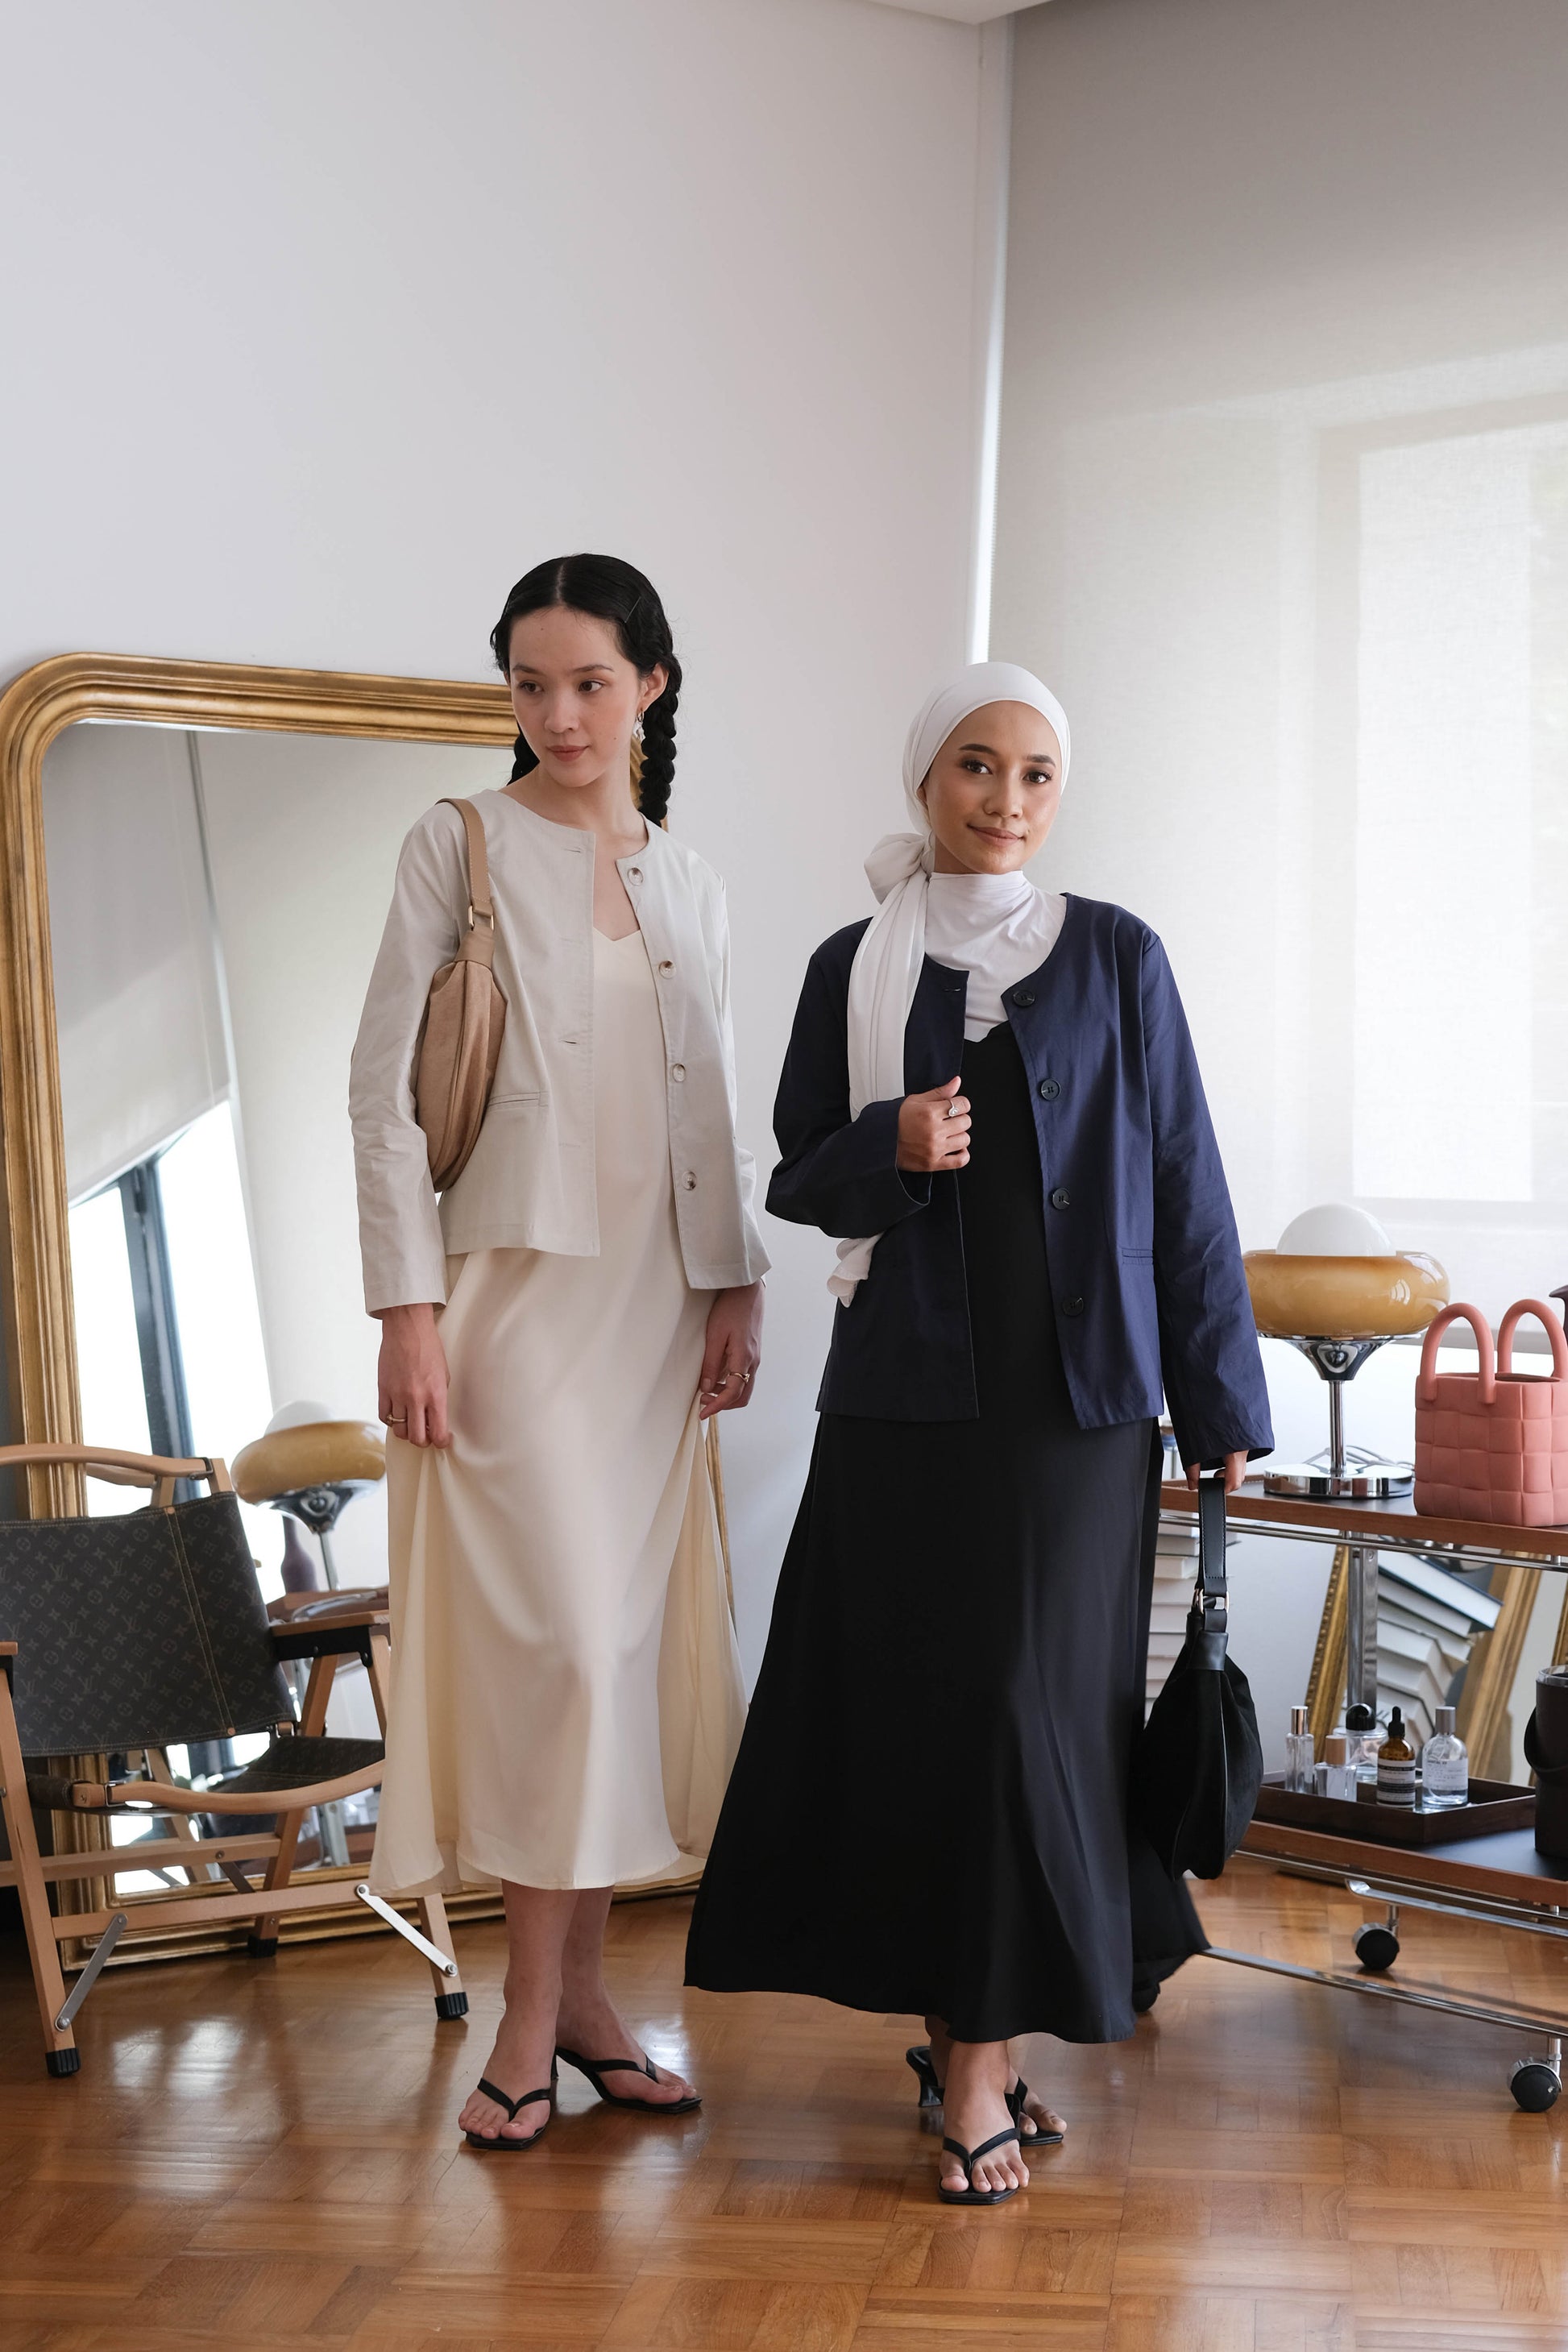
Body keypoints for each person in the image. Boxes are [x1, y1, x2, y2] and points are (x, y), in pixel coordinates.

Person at [685, 662, 1271, 2206]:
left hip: (1078, 1416)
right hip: (906, 1405)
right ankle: (971, 2047)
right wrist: (889, 1144)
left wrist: (1219, 1399)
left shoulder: (1117, 954)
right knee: (934, 1720)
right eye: (974, 766)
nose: (1004, 800)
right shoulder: (853, 962)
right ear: (923, 777)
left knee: (1035, 1717)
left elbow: (1185, 1181)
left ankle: (975, 2059)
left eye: (1034, 774)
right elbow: (796, 1170)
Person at [350, 553, 769, 2150]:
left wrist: (734, 1286)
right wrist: (406, 1308)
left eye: (590, 681)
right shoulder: (455, 842)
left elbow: (715, 1112)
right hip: (509, 1305)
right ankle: (532, 2019)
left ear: (649, 683)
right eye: (531, 684)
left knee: (618, 1658)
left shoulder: (694, 880)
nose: (560, 713)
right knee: (565, 1657)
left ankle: (580, 2009)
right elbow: (381, 1091)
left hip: (659, 1313)